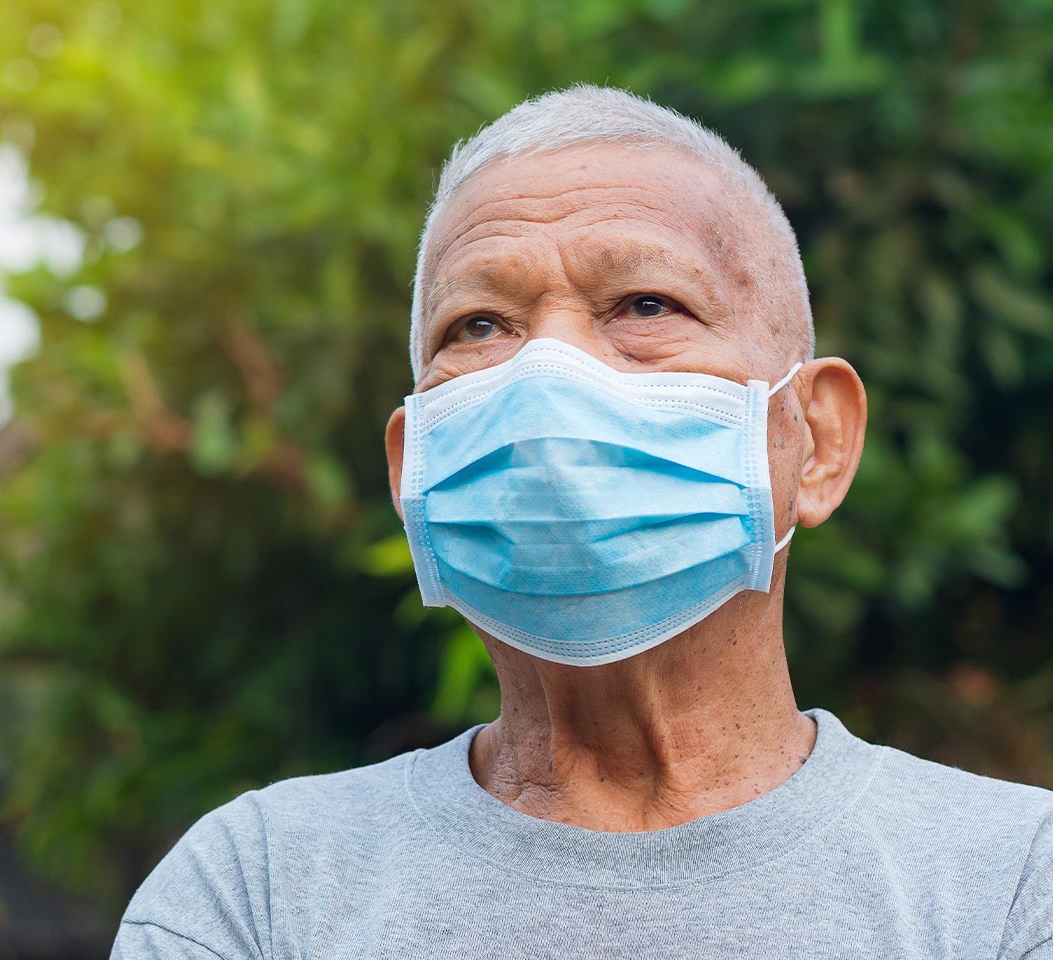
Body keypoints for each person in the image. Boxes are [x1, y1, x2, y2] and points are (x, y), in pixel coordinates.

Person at [111, 84, 1053, 958]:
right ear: (412, 467)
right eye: (480, 326)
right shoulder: (256, 895)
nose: (546, 377)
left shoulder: (1013, 887)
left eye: (646, 305)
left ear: (815, 441)